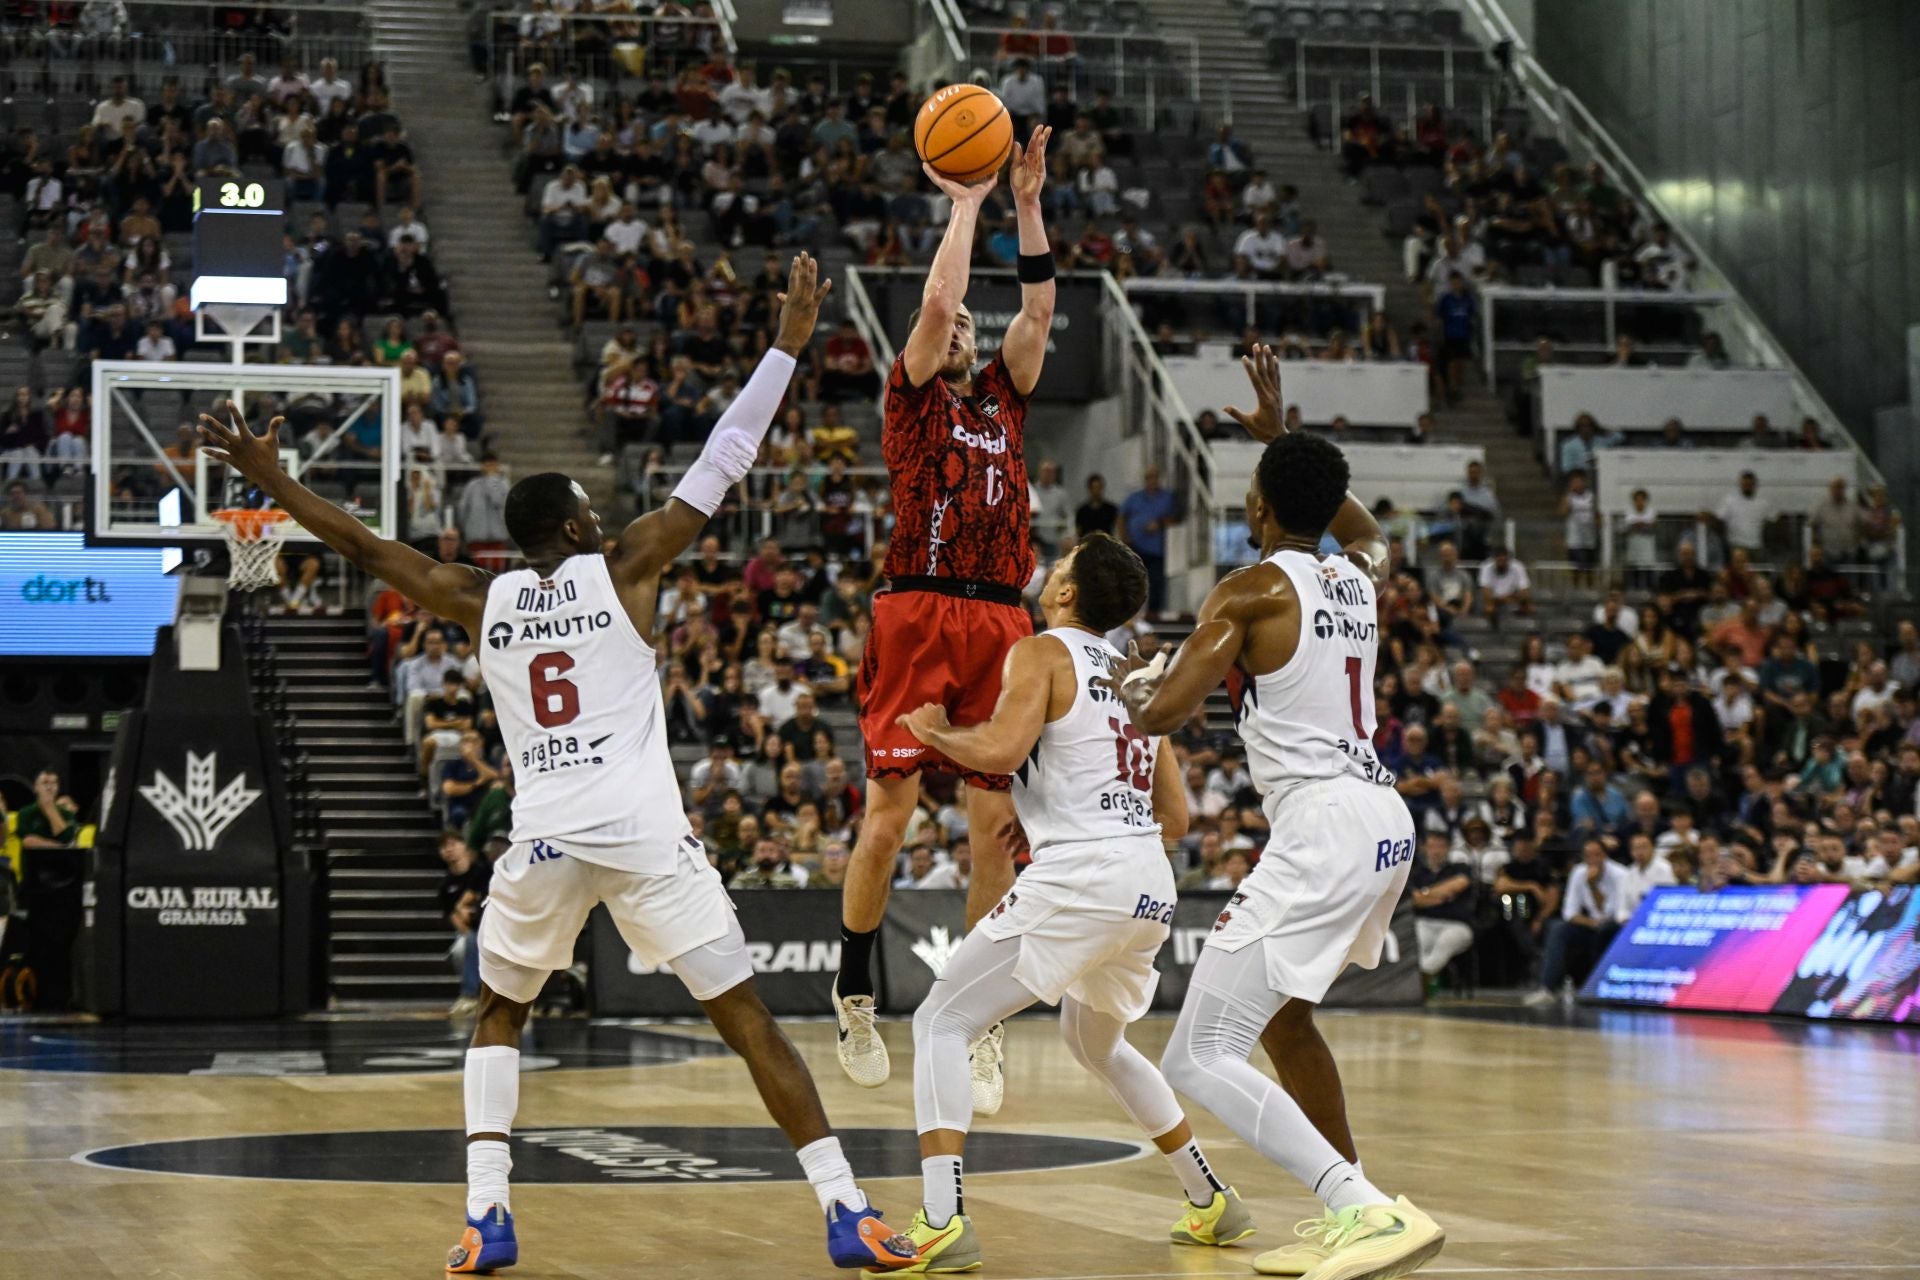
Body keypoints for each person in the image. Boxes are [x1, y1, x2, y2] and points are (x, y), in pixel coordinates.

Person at [197, 256, 917, 1274]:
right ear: (579, 524)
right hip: (642, 833)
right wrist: (788, 342)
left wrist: (273, 485)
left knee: (500, 1010)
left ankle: (488, 1213)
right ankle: (844, 1207)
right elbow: (725, 454)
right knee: (747, 1019)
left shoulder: (475, 595)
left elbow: (365, 548)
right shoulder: (629, 565)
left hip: (541, 837)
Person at [1113, 346, 1445, 1279]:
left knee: (1196, 1054)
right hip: (1383, 819)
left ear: (1257, 507)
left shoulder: (1250, 589)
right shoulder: (1361, 575)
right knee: (1286, 1023)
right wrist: (1286, 440)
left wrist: (1125, 681)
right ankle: (1361, 1201)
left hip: (1327, 827)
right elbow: (1365, 524)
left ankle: (1362, 1209)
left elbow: (1165, 714)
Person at [892, 533, 1253, 1268]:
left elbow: (996, 752)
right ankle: (1210, 1198)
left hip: (1085, 873)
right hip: (1149, 880)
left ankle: (941, 1219)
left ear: (1065, 595)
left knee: (941, 1020)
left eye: (1057, 569)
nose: (1048, 574)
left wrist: (937, 734)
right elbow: (1178, 820)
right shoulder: (1135, 673)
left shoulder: (1041, 651)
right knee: (1096, 1042)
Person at [833, 126, 1056, 1107]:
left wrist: (1027, 200)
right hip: (917, 614)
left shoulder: (1006, 397)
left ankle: (974, 1013)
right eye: (955, 323)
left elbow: (1041, 309)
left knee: (995, 826)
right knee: (886, 820)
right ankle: (851, 984)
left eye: (972, 324)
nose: (962, 327)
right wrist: (963, 203)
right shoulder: (911, 403)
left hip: (1001, 623)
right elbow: (935, 299)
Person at [1526, 838, 1632, 1004]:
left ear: (1605, 855)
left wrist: (1592, 886)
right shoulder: (1578, 872)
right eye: (1588, 856)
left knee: (1605, 929)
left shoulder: (1621, 874)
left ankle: (1598, 988)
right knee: (1558, 928)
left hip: (1614, 926)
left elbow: (1612, 912)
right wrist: (1591, 923)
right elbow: (1569, 912)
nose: (1593, 860)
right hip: (1591, 924)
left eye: (1597, 855)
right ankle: (1548, 988)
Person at [1120, 464, 1179, 616]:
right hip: (1135, 548)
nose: (1151, 481)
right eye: (1148, 477)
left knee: (1156, 582)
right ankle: (1130, 613)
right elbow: (1122, 518)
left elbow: (1174, 519)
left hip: (1156, 549)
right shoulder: (1134, 498)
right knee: (1133, 583)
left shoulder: (1167, 498)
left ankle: (1153, 615)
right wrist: (1125, 537)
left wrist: (1158, 524)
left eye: (1154, 477)